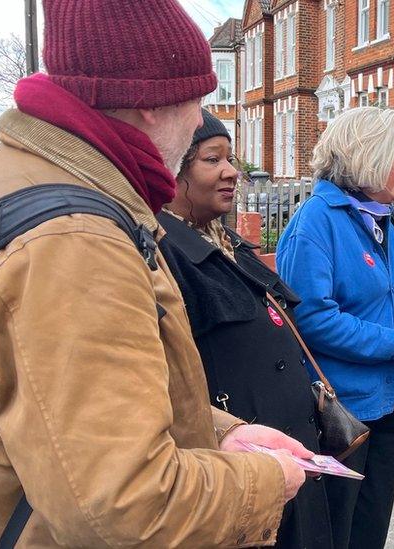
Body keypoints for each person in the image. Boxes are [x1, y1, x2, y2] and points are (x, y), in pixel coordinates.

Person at [0, 1, 309, 546]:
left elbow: (75, 413)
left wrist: (221, 434)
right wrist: (265, 482)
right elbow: (123, 504)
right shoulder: (76, 240)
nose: (197, 123)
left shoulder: (39, 177)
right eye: (195, 101)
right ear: (147, 104)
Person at [157, 109, 334, 548]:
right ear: (176, 168)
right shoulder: (162, 253)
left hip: (288, 449)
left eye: (231, 159)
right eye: (212, 159)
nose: (231, 172)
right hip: (240, 464)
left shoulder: (226, 240)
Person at [276, 106, 394, 549]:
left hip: (393, 403)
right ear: (367, 157)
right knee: (336, 532)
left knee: (372, 528)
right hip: (342, 413)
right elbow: (312, 320)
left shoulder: (387, 215)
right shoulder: (315, 221)